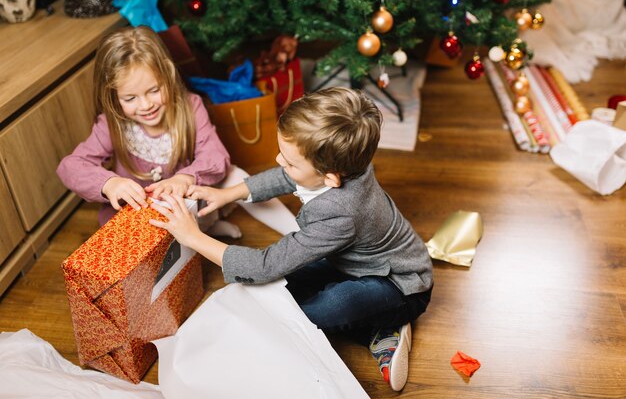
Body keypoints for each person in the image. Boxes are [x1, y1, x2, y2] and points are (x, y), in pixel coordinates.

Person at [150, 87, 434, 392]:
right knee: (280, 291)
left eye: (289, 161)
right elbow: (286, 176)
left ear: (330, 178)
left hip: (400, 286)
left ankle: (385, 327)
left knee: (316, 312)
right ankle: (375, 321)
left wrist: (192, 236)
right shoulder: (348, 160)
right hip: (352, 263)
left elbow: (264, 264)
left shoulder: (341, 213)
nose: (278, 160)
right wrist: (227, 194)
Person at [56, 26, 298, 238]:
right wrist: (109, 183)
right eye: (130, 97)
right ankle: (203, 235)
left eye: (153, 90)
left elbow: (215, 157)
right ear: (113, 96)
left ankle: (297, 234)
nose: (145, 105)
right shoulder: (111, 123)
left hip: (190, 211)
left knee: (235, 175)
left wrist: (186, 178)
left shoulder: (190, 106)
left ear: (168, 76)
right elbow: (70, 166)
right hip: (144, 223)